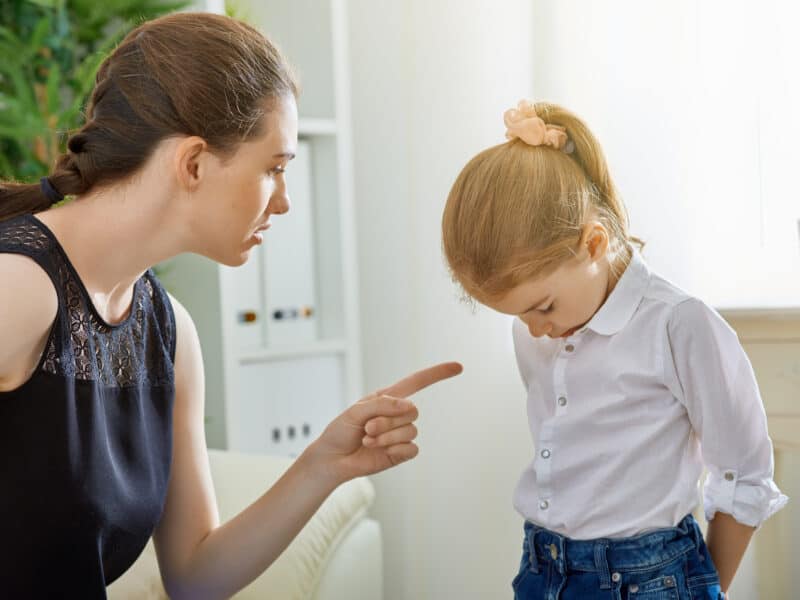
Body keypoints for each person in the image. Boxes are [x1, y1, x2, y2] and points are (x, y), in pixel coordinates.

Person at [0, 12, 461, 598]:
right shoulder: (17, 287)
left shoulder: (168, 333)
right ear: (192, 162)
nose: (286, 202)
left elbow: (195, 577)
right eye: (274, 170)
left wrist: (322, 465)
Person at [441, 100, 787, 599]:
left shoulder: (677, 324)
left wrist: (704, 587)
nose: (536, 331)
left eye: (543, 307)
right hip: (543, 566)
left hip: (650, 578)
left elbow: (744, 474)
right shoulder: (540, 333)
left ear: (594, 244)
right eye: (519, 317)